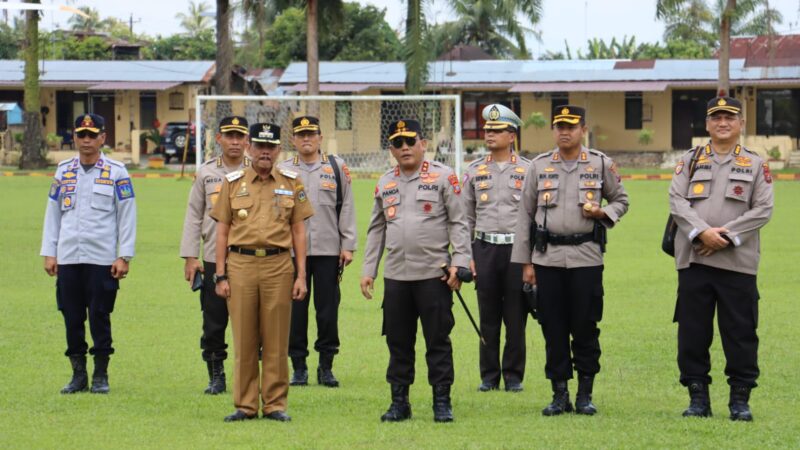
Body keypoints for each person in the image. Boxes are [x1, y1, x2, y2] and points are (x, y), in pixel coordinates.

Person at [511, 105, 629, 416]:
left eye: (571, 126)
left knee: (585, 325)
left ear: (583, 129)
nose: (565, 131)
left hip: (586, 258)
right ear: (553, 129)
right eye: (559, 125)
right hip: (547, 258)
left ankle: (585, 394)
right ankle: (559, 394)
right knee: (553, 327)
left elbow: (622, 199)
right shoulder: (538, 167)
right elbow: (524, 215)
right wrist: (526, 263)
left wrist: (604, 213)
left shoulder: (600, 163)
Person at [668, 96, 773, 421]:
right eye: (716, 118)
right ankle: (698, 398)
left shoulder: (756, 164)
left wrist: (722, 236)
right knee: (692, 333)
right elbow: (677, 201)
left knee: (741, 333)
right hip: (695, 261)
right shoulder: (690, 161)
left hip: (737, 264)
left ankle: (740, 400)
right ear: (708, 124)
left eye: (729, 117)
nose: (723, 123)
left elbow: (763, 209)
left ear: (741, 123)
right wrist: (702, 234)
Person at [360, 119, 471, 423]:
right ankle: (399, 403)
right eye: (398, 142)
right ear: (391, 149)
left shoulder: (443, 177)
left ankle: (441, 401)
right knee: (398, 341)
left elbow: (459, 223)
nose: (405, 147)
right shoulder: (385, 182)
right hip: (397, 277)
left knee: (437, 340)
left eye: (410, 140)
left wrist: (460, 263)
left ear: (423, 143)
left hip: (433, 275)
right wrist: (368, 269)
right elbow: (376, 229)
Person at [209, 122, 313, 422]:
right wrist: (221, 274)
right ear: (249, 148)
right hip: (240, 265)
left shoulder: (292, 182)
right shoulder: (232, 181)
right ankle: (245, 405)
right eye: (259, 146)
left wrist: (301, 275)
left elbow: (299, 230)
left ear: (279, 149)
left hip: (278, 266)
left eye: (271, 147)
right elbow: (222, 230)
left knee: (277, 339)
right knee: (244, 339)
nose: (265, 152)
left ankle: (275, 404)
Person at [40, 113, 137, 395]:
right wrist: (50, 251)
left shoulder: (117, 171)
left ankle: (100, 374)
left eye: (92, 135)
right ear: (74, 137)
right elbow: (53, 213)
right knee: (71, 316)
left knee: (99, 314)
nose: (86, 140)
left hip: (102, 258)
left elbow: (127, 215)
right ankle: (78, 374)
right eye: (81, 134)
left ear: (102, 138)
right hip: (69, 256)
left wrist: (124, 255)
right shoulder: (63, 171)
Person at [278, 116, 357, 387]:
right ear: (294, 140)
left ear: (320, 137)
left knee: (327, 311)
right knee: (295, 312)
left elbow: (346, 206)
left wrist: (347, 245)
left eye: (311, 133)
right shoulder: (283, 169)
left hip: (327, 249)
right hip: (290, 252)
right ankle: (298, 367)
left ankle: (326, 366)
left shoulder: (336, 167)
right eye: (301, 135)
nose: (306, 139)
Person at [179, 116, 251, 395]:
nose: (234, 142)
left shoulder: (260, 170)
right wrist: (189, 256)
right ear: (218, 138)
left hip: (251, 257)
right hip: (212, 256)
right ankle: (216, 375)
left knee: (252, 321)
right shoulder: (207, 172)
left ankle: (249, 377)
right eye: (229, 136)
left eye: (239, 136)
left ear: (247, 141)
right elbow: (194, 215)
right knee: (214, 320)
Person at [462, 104, 530, 393]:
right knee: (488, 317)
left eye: (496, 130)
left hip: (517, 250)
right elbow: (464, 217)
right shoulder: (474, 170)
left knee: (516, 318)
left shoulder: (529, 170)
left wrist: (532, 260)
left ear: (511, 135)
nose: (489, 134)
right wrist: (468, 256)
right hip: (485, 249)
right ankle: (489, 376)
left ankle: (513, 376)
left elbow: (535, 216)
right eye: (487, 130)